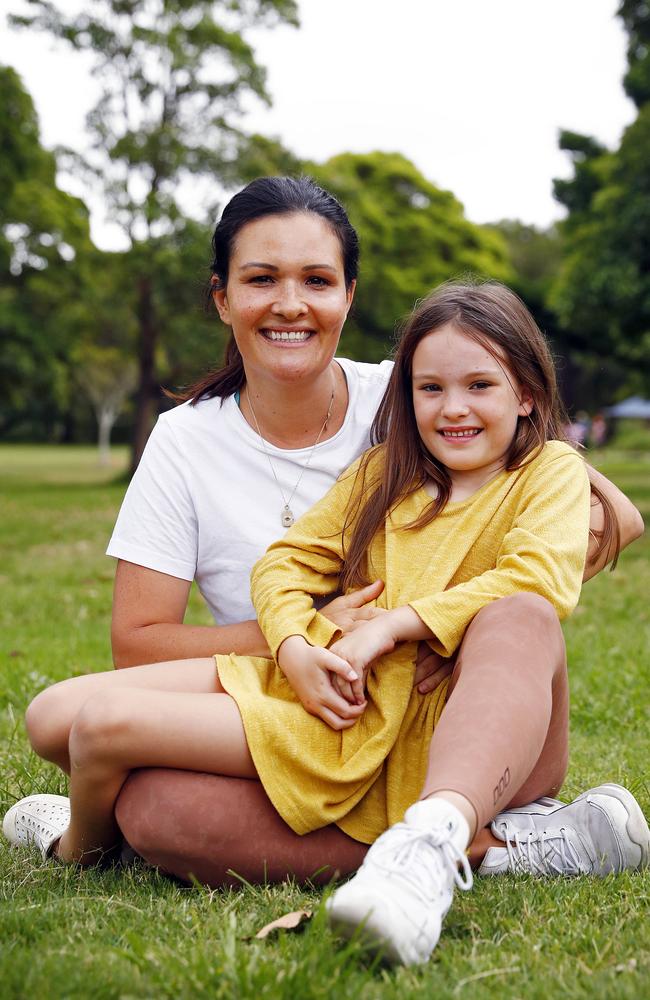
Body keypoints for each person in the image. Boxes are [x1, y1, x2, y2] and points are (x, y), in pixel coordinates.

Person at [4, 281, 648, 970]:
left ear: (525, 394)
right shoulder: (386, 472)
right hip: (346, 704)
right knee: (117, 779)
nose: (453, 408)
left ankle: (436, 844)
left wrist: (399, 625)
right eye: (430, 389)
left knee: (518, 613)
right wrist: (294, 643)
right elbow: (283, 564)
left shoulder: (545, 470)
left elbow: (543, 575)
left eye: (481, 386)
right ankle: (505, 849)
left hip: (471, 738)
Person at [101, 176, 642, 887]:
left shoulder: (410, 394)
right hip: (311, 718)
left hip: (453, 719)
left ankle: (456, 826)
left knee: (517, 618)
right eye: (261, 279)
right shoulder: (184, 443)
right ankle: (499, 852)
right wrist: (309, 636)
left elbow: (611, 518)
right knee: (149, 811)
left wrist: (440, 623)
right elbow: (137, 645)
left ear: (348, 295)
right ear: (222, 298)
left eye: (316, 280)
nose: (290, 304)